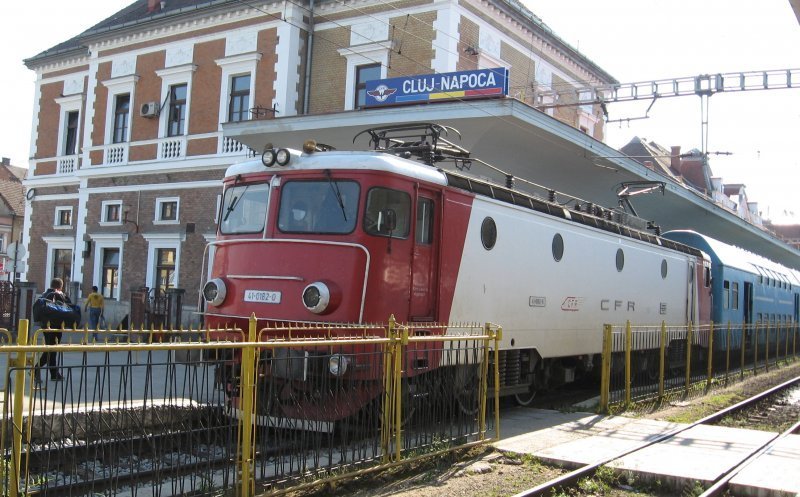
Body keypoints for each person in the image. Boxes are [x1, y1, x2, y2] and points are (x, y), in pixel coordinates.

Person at [35, 277, 69, 383]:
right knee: (51, 350)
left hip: (45, 326)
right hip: (55, 326)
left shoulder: (45, 294)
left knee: (51, 350)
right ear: (60, 286)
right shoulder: (57, 294)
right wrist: (63, 295)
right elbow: (66, 306)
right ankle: (36, 370)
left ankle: (54, 373)